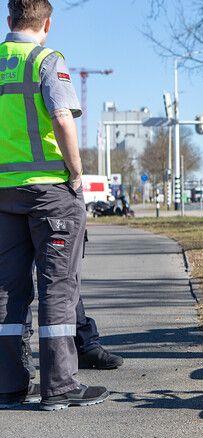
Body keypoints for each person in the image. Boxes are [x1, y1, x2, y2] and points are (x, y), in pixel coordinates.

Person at [0, 0, 108, 410]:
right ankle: (60, 388)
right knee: (58, 288)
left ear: (9, 21)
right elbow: (62, 117)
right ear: (47, 24)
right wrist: (76, 173)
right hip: (49, 192)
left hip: (3, 193)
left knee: (7, 290)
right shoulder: (47, 60)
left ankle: (8, 385)